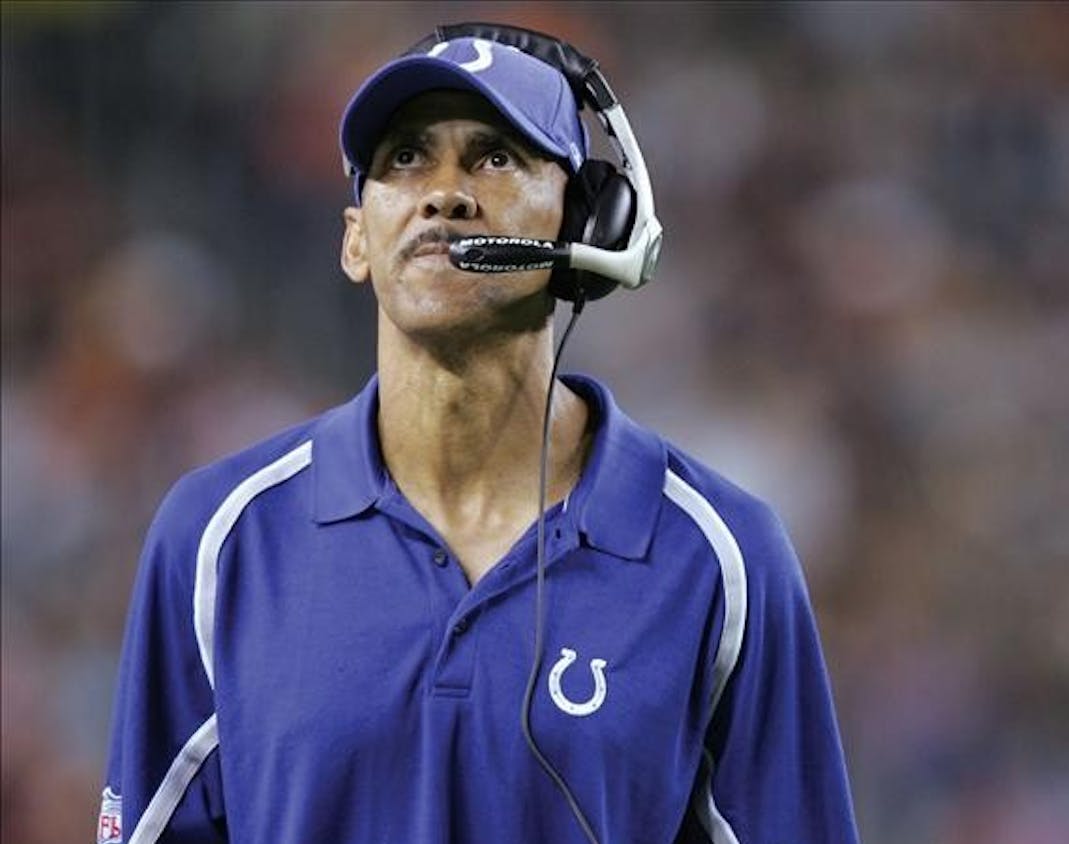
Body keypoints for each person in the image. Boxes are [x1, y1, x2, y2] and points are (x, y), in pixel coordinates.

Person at [100, 23, 860, 844]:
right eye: (405, 159)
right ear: (357, 239)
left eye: (495, 158)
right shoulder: (220, 537)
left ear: (587, 224)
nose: (445, 194)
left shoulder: (719, 554)